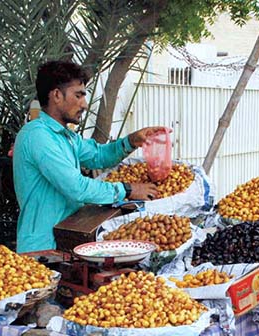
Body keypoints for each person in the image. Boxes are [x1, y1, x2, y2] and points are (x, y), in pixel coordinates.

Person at [12, 60, 165, 253]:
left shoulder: (65, 136)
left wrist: (131, 141)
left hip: (66, 242)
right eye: (78, 95)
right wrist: (127, 190)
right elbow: (76, 187)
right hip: (42, 249)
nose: (84, 104)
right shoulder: (38, 136)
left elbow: (99, 156)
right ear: (57, 95)